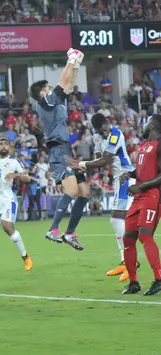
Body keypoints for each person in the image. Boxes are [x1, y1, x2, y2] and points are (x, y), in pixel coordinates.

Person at [30, 48, 89, 250]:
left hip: (65, 150)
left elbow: (69, 84)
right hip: (59, 150)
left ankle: (70, 233)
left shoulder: (54, 103)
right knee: (72, 190)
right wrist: (69, 61)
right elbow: (62, 82)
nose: (51, 89)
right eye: (48, 87)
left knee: (84, 192)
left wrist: (77, 65)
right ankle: (53, 229)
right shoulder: (44, 103)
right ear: (42, 92)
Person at [66, 113, 136, 282]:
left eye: (105, 130)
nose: (104, 134)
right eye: (100, 132)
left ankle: (130, 262)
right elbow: (98, 159)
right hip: (118, 180)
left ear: (108, 123)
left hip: (126, 177)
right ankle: (125, 261)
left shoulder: (116, 134)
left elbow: (105, 160)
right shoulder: (97, 137)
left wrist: (82, 164)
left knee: (117, 220)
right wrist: (85, 168)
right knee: (118, 221)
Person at [118, 115, 161, 296]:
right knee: (128, 238)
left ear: (151, 125)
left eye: (146, 123)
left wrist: (140, 186)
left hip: (152, 195)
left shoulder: (160, 144)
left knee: (145, 236)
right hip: (138, 197)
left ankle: (159, 278)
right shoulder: (143, 145)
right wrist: (130, 174)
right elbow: (143, 171)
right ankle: (133, 282)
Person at [0, 137, 33, 278]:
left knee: (7, 226)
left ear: (9, 147)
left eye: (5, 144)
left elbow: (27, 178)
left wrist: (15, 175)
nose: (3, 146)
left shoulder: (14, 162)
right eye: (0, 144)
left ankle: (25, 256)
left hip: (8, 198)